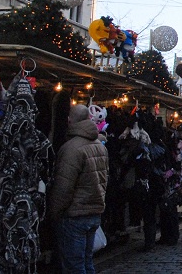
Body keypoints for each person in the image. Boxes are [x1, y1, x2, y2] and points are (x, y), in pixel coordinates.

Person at [49, 104, 109, 274]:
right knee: (87, 262)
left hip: (75, 215)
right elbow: (105, 179)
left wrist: (55, 212)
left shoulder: (71, 148)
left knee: (74, 265)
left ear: (69, 120)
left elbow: (63, 188)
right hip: (94, 212)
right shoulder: (100, 146)